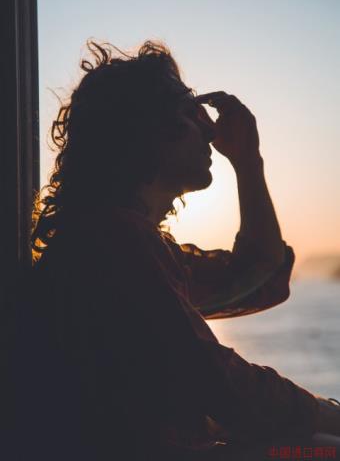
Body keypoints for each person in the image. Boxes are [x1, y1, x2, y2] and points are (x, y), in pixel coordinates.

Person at [27, 40, 340, 460]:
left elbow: (256, 277)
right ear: (147, 129)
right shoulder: (111, 243)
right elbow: (219, 386)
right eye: (191, 110)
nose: (211, 129)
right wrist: (325, 412)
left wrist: (249, 161)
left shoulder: (124, 240)